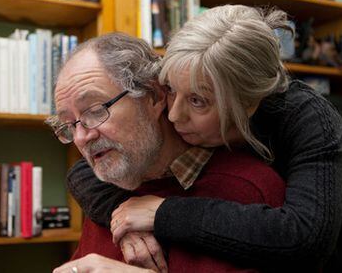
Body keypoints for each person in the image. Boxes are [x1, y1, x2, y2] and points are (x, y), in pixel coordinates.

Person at [66, 5, 342, 273]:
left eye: (197, 101)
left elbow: (305, 240)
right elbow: (84, 171)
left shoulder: (309, 121)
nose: (173, 115)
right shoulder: (186, 103)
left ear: (248, 103)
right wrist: (126, 215)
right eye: (170, 89)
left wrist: (161, 212)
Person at [48, 32, 287, 273]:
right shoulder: (109, 195)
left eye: (96, 110)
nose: (81, 137)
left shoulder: (252, 190)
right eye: (68, 125)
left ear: (153, 95)